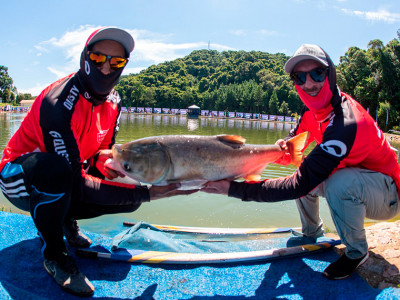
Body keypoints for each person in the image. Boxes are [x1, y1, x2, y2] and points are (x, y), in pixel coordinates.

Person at [0, 27, 193, 297]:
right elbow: (75, 181)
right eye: (98, 58)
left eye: (116, 62)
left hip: (67, 176)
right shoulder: (58, 102)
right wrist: (150, 194)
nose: (105, 68)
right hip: (17, 178)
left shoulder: (114, 102)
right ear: (84, 58)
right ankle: (55, 256)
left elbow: (101, 154)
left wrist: (114, 168)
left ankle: (65, 219)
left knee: (130, 191)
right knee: (57, 173)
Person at [201, 44, 400, 280]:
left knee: (334, 182)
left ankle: (357, 252)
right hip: (359, 182)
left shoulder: (346, 123)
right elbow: (293, 145)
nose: (309, 83)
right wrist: (282, 147)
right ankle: (312, 233)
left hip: (389, 195)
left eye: (317, 73)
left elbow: (298, 185)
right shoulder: (309, 114)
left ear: (330, 75)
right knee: (306, 167)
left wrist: (233, 189)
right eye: (299, 77)